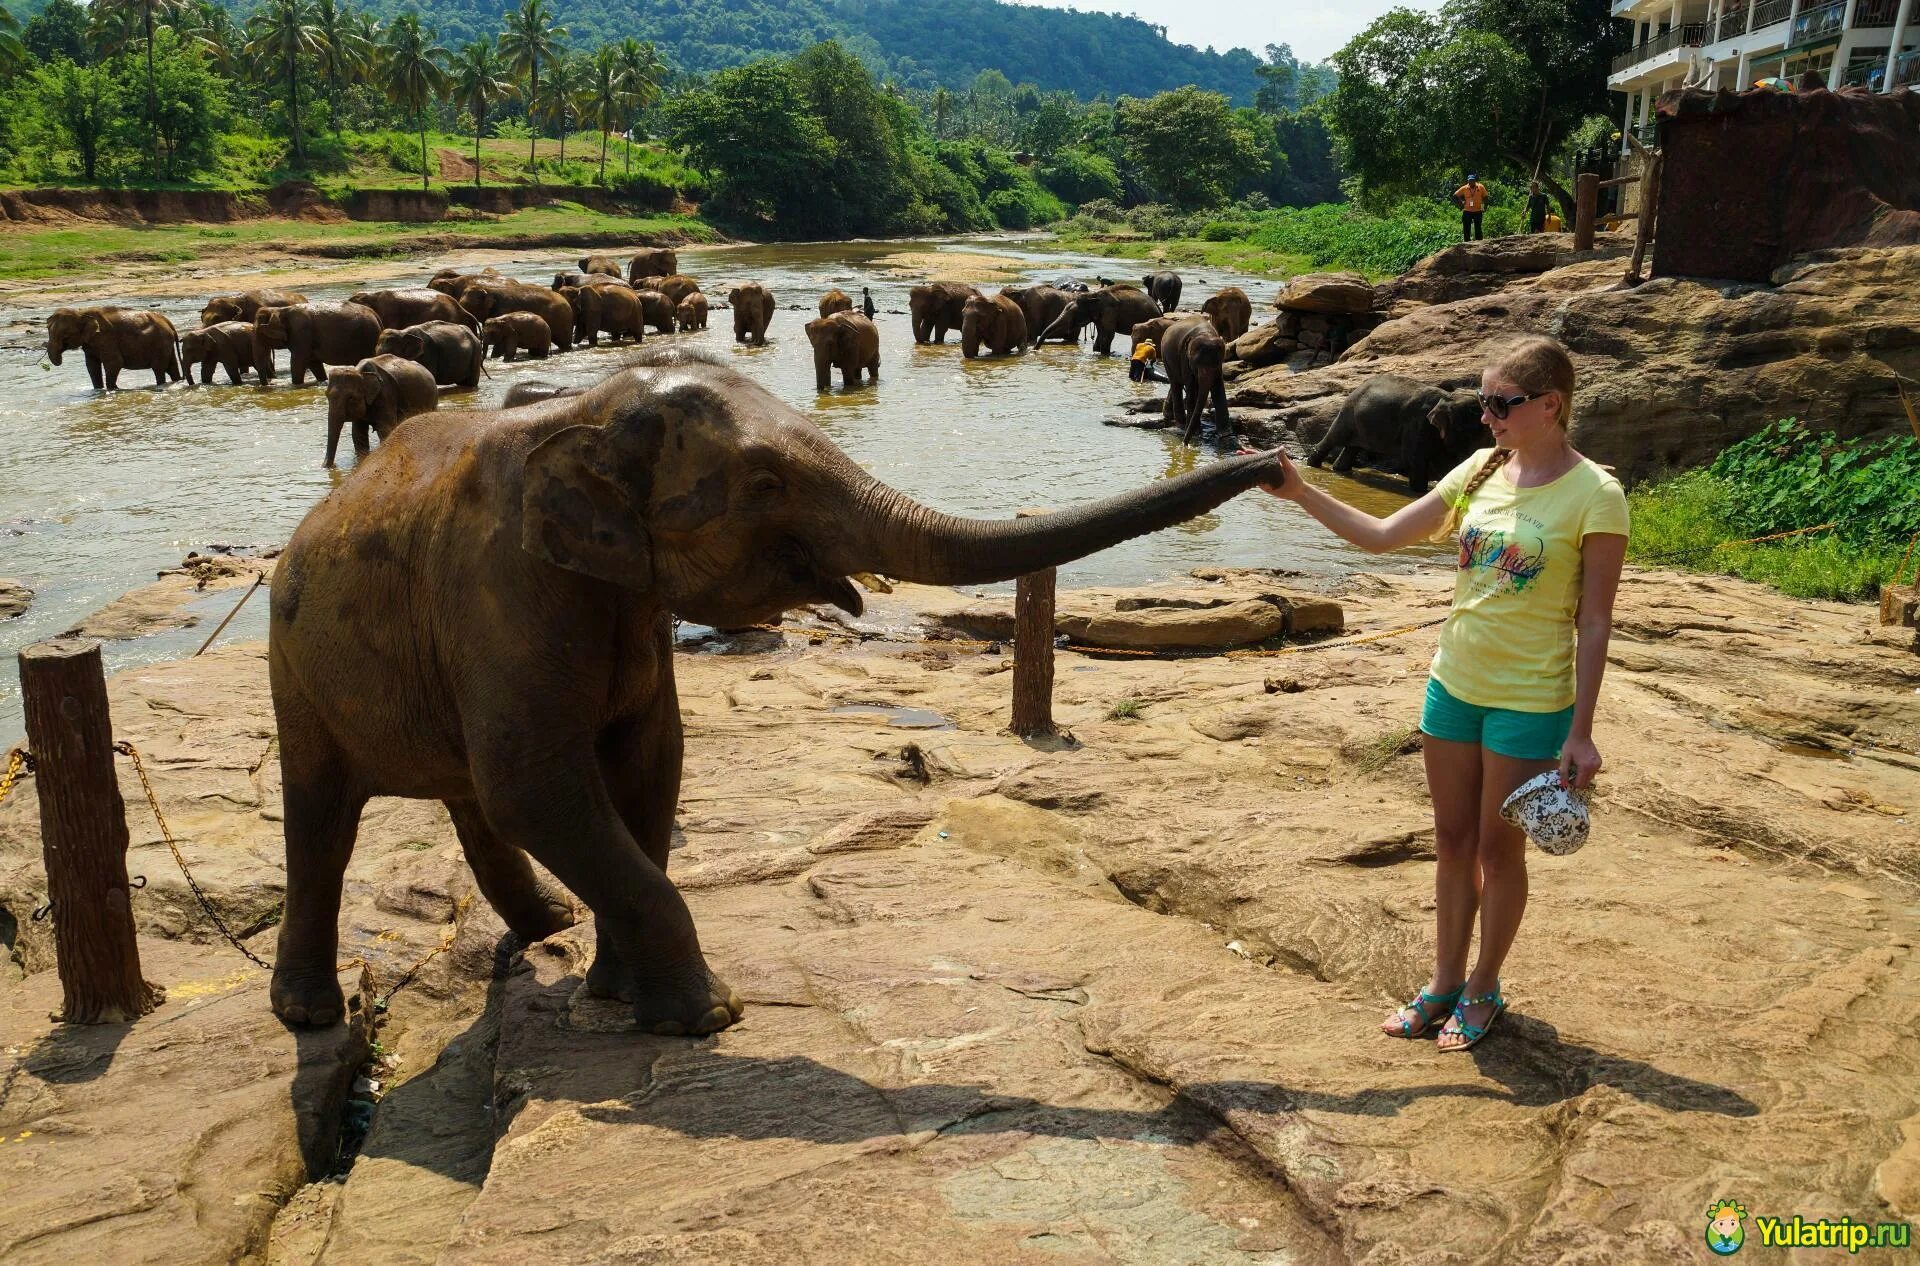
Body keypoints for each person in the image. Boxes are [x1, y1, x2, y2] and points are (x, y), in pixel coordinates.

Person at [1254, 335, 1628, 1052]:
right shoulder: (1482, 469)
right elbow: (1383, 533)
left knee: (1498, 852)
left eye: (1500, 404)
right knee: (1453, 843)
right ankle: (1444, 982)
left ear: (1550, 405)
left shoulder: (1597, 495)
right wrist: (1301, 491)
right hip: (1453, 686)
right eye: (1484, 401)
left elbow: (1597, 620)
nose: (1485, 416)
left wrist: (1581, 732)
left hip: (1529, 698)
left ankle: (1485, 987)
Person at [1453, 173, 1489, 241]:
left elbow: (1486, 197)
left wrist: (1485, 207)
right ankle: (1467, 242)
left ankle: (1479, 243)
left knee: (1478, 228)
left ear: (1475, 180)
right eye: (1470, 180)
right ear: (1468, 181)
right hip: (1467, 211)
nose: (1471, 182)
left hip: (1478, 210)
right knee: (1466, 228)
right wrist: (1461, 204)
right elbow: (1455, 195)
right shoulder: (1464, 188)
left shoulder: (1480, 187)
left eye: (1472, 180)